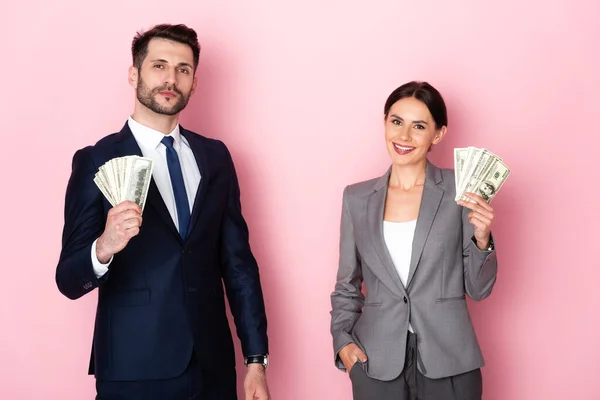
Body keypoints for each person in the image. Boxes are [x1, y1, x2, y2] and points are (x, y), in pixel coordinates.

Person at [55, 23, 270, 400]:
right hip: (132, 367)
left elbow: (238, 265)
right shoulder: (97, 159)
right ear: (134, 74)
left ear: (194, 82)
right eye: (159, 66)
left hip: (212, 367)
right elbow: (68, 279)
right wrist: (104, 246)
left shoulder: (216, 157)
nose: (171, 78)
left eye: (183, 69)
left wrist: (255, 360)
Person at [330, 81, 498, 400]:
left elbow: (479, 289)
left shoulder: (459, 191)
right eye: (396, 122)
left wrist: (482, 238)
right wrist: (343, 343)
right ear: (385, 123)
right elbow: (346, 286)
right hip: (375, 363)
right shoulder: (356, 198)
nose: (404, 137)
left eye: (418, 126)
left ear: (438, 134)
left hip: (450, 360)